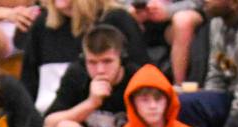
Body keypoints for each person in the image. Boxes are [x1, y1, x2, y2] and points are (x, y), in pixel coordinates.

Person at [21, 0, 149, 113]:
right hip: (55, 118)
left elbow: (144, 74)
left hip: (115, 115)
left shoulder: (117, 19)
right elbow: (28, 82)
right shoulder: (42, 24)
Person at [43, 24, 140, 127]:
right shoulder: (77, 74)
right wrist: (91, 103)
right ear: (84, 60)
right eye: (92, 62)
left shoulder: (136, 78)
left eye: (107, 61)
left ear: (122, 58)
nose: (100, 70)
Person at [129, 0, 205, 85]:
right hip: (141, 18)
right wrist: (133, 9)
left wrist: (168, 11)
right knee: (121, 16)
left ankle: (178, 86)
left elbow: (200, 2)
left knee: (183, 20)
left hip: (177, 15)